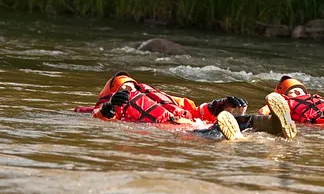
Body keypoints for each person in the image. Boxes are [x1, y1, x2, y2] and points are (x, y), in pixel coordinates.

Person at [85, 71, 296, 140]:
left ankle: (275, 125)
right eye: (125, 88)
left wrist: (221, 103)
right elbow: (97, 118)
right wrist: (109, 108)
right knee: (212, 129)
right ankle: (226, 133)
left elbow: (196, 110)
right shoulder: (112, 104)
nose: (131, 90)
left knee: (239, 120)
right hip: (174, 129)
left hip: (189, 121)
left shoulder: (160, 97)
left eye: (132, 86)